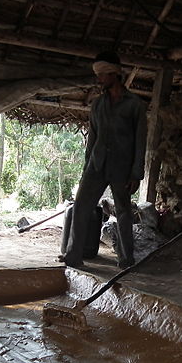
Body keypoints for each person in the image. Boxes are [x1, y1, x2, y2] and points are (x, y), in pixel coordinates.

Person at [59, 51, 147, 268]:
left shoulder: (134, 105)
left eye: (102, 75)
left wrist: (136, 174)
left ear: (113, 75)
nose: (99, 79)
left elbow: (140, 141)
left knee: (124, 212)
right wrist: (86, 166)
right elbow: (93, 138)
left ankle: (127, 260)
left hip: (122, 168)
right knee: (80, 206)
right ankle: (73, 256)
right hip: (96, 165)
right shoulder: (98, 105)